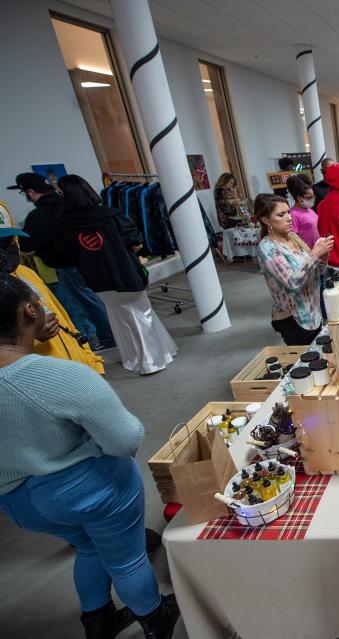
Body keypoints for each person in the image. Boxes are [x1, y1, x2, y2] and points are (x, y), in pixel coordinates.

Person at [0, 274, 180, 638]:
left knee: (88, 545)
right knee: (126, 556)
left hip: (18, 501)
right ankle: (155, 617)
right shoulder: (57, 375)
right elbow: (124, 438)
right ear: (29, 310)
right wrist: (88, 451)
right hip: (86, 490)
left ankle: (97, 620)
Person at [55, 175, 176, 375]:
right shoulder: (110, 215)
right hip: (125, 273)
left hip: (97, 279)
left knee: (119, 319)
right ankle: (151, 360)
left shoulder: (63, 224)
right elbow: (136, 242)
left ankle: (136, 357)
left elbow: (64, 254)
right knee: (141, 314)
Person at [9, 172, 115, 351]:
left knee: (82, 302)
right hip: (82, 260)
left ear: (31, 192)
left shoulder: (40, 215)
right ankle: (95, 335)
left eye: (24, 193)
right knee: (85, 300)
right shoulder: (65, 204)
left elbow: (29, 242)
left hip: (65, 264)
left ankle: (106, 336)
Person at [0, 216, 103, 373]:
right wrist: (30, 335)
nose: (5, 249)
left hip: (78, 373)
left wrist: (92, 363)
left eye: (8, 241)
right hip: (41, 384)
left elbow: (65, 321)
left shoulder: (26, 273)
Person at [255, 193, 333, 345]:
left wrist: (322, 259)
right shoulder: (267, 248)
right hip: (293, 319)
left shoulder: (293, 237)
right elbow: (293, 283)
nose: (289, 218)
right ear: (265, 220)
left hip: (313, 314)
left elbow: (316, 273)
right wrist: (314, 254)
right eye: (281, 214)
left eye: (288, 212)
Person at [286, 174, 320, 249]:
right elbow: (294, 239)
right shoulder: (293, 214)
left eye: (313, 196)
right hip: (308, 253)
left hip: (318, 250)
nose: (313, 199)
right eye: (309, 197)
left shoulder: (309, 210)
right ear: (299, 198)